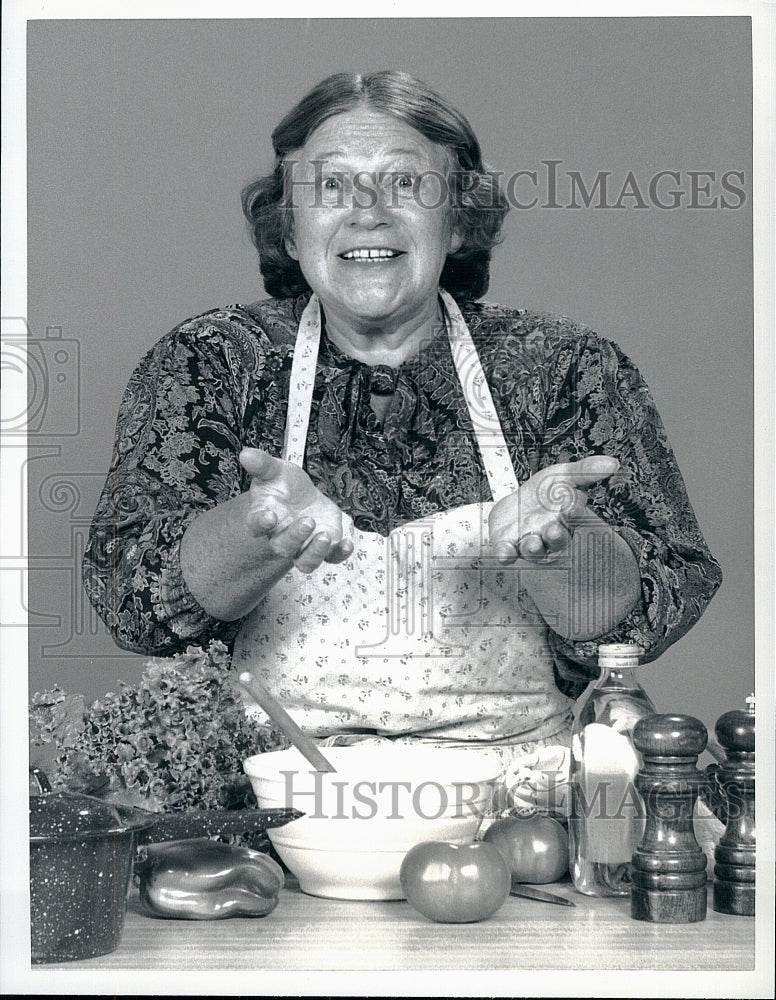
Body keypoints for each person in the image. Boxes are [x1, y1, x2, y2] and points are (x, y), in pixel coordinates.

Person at [83, 71, 721, 812]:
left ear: (458, 220)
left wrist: (564, 547)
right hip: (273, 814)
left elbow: (639, 620)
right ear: (289, 229)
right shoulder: (212, 362)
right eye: (330, 187)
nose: (368, 213)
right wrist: (256, 533)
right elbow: (132, 600)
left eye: (406, 184)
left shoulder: (564, 368)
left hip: (521, 816)